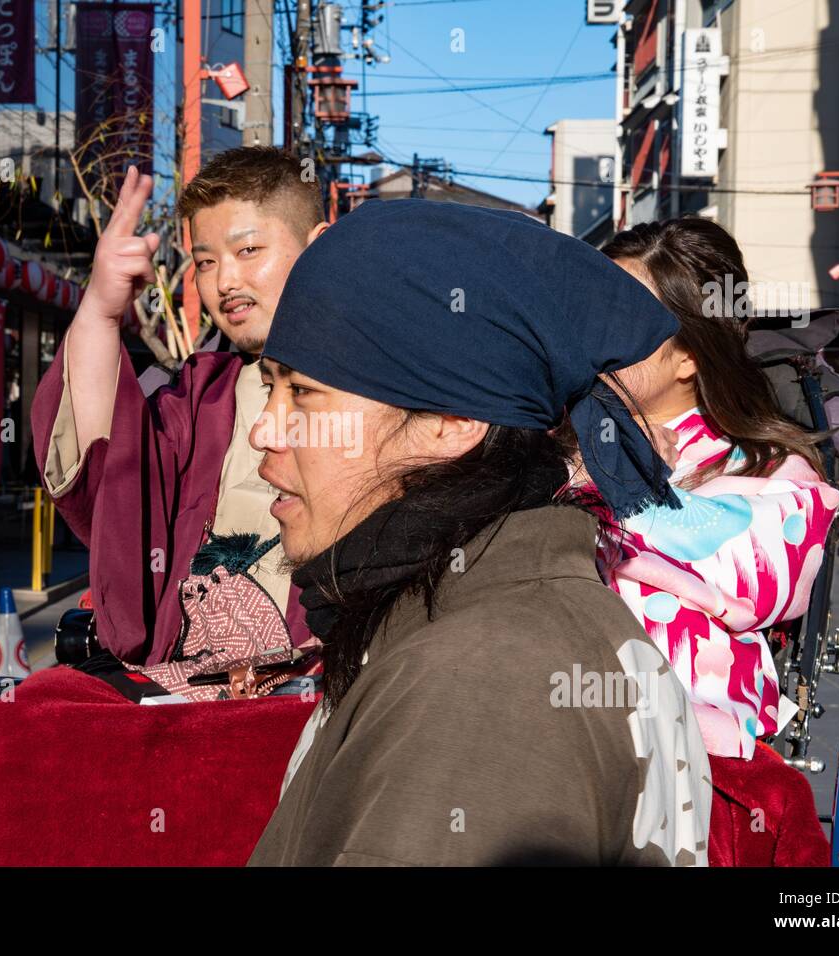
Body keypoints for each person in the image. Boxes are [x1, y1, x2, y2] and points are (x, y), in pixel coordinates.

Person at [247, 199, 713, 867]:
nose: (264, 429)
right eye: (269, 388)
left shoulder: (482, 682)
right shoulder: (494, 615)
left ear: (451, 421)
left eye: (305, 394)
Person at [595, 216, 838, 865]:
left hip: (689, 769)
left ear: (688, 352)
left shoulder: (771, 474)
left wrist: (608, 478)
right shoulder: (548, 447)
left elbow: (732, 571)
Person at [31, 148, 328, 663]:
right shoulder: (200, 396)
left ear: (318, 247)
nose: (225, 281)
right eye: (206, 261)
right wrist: (102, 310)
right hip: (188, 694)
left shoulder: (383, 389)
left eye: (249, 249)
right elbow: (114, 472)